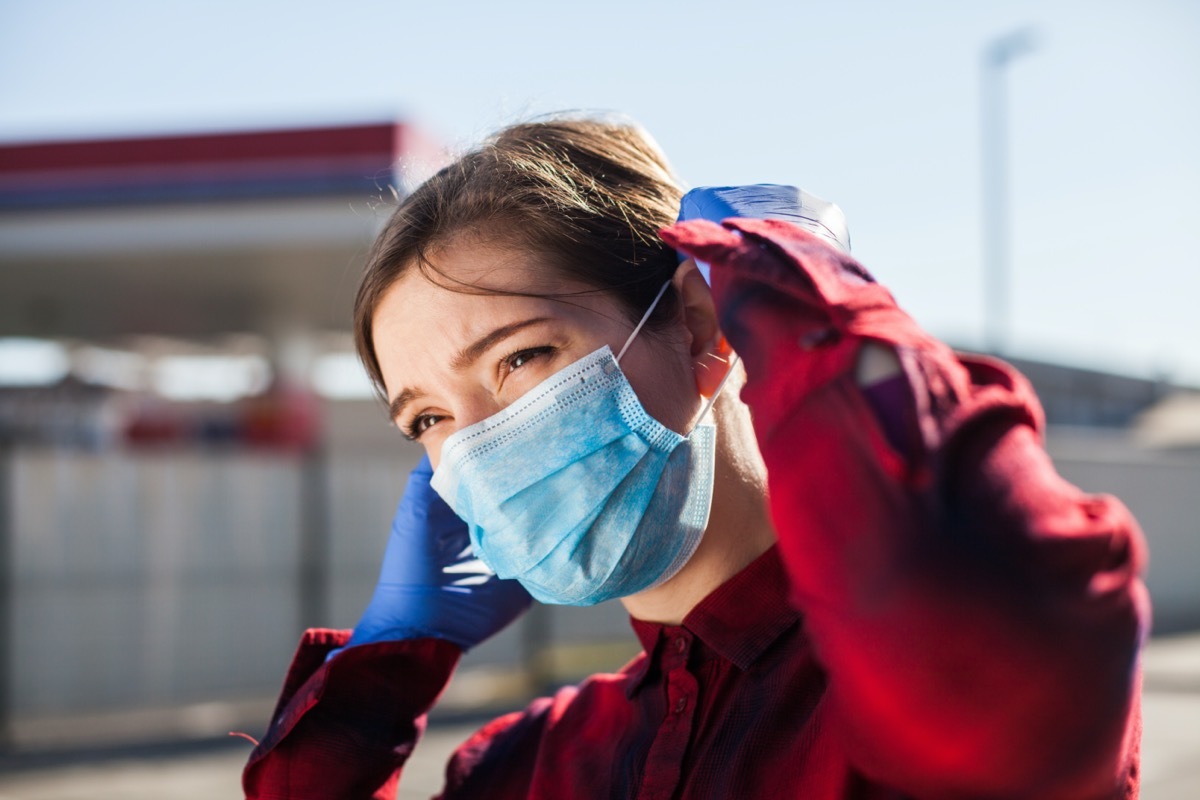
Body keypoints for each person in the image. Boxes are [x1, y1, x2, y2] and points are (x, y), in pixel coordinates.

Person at [242, 118, 1148, 799]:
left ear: (699, 325)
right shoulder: (533, 764)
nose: (478, 445)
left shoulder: (891, 694)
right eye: (429, 416)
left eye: (520, 358)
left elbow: (1016, 692)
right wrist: (378, 676)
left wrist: (807, 296)